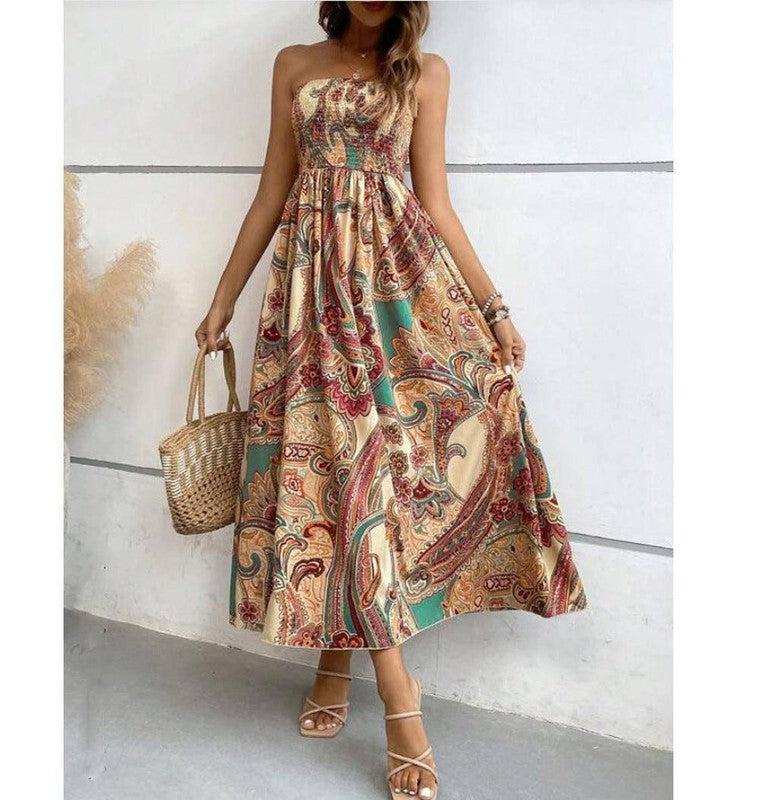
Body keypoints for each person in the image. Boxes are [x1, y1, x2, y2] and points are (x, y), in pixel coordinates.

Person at [195, 3, 586, 797]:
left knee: (375, 475)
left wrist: (494, 310)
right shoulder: (294, 64)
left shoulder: (426, 74)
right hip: (309, 298)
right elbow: (273, 191)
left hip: (393, 296)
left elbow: (434, 202)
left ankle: (359, 677)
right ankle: (380, 687)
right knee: (334, 476)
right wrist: (222, 299)